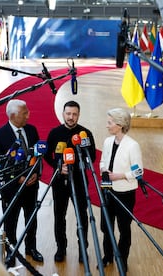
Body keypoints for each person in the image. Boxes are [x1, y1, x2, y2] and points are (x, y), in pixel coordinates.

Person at [0, 99, 43, 267]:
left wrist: (35, 174)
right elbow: (0, 166)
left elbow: (38, 156)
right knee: (10, 223)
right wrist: (18, 179)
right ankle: (11, 253)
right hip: (12, 189)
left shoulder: (32, 130)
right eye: (24, 113)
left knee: (31, 220)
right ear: (13, 115)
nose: (29, 115)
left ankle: (31, 248)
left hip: (31, 186)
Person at [44, 100, 96, 263]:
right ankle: (61, 248)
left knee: (82, 216)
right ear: (63, 114)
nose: (71, 117)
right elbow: (47, 155)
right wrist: (58, 167)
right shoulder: (54, 133)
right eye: (68, 113)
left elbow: (92, 157)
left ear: (78, 115)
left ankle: (83, 249)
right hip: (59, 182)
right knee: (59, 216)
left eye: (74, 114)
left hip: (80, 181)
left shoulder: (85, 134)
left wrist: (79, 163)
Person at [99, 107, 143, 271]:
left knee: (124, 229)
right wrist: (104, 170)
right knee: (106, 226)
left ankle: (122, 260)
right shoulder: (107, 141)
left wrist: (119, 176)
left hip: (125, 192)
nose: (107, 125)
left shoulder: (133, 146)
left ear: (119, 124)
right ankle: (107, 257)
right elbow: (103, 161)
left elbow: (139, 171)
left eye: (110, 123)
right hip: (107, 188)